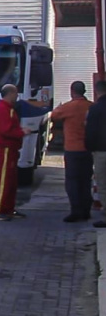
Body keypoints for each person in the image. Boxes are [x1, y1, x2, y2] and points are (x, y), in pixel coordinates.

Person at [50, 81, 94, 222]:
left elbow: (53, 116)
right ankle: (86, 210)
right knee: (86, 181)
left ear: (72, 91)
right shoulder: (91, 106)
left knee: (73, 181)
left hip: (73, 150)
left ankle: (76, 211)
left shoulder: (68, 107)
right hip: (88, 150)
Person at [0, 84, 31, 221]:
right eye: (15, 94)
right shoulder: (3, 109)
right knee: (4, 179)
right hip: (6, 148)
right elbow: (5, 130)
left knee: (11, 180)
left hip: (11, 148)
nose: (17, 97)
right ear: (11, 94)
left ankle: (8, 208)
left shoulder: (8, 109)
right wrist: (21, 132)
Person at [86, 80, 106, 228]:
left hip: (101, 151)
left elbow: (90, 131)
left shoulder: (95, 109)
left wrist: (89, 148)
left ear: (97, 91)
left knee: (103, 184)